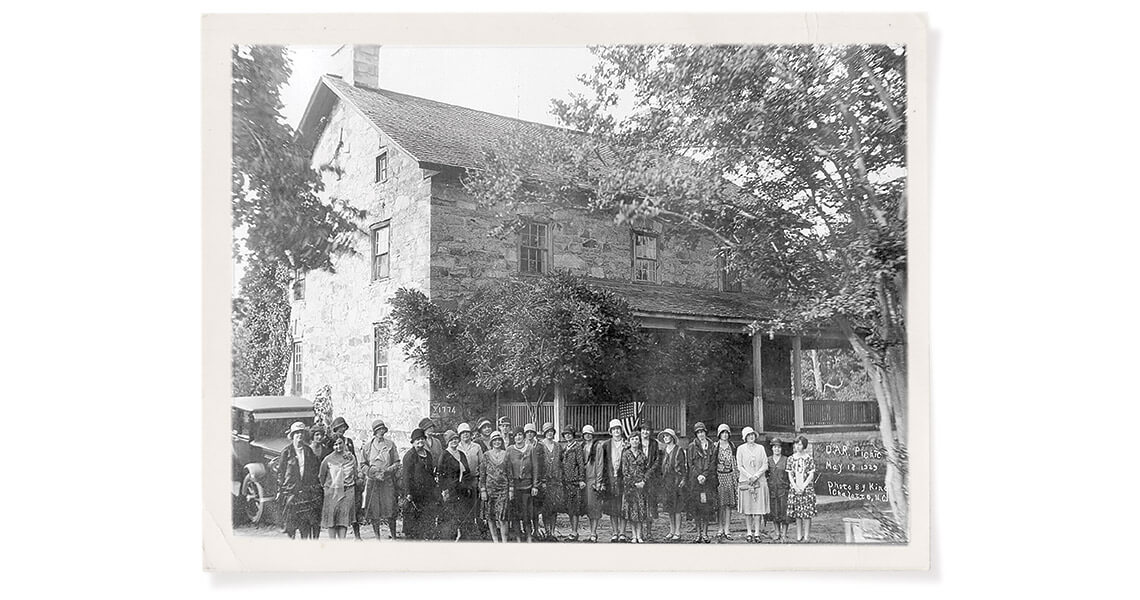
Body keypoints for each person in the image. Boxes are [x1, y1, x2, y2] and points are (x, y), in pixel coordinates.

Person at [277, 422, 322, 539]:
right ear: (292, 436)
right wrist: (280, 489)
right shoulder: (286, 452)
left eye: (301, 433)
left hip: (306, 490)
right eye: (296, 433)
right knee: (290, 519)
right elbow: (281, 473)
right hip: (291, 490)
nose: (299, 436)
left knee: (306, 521)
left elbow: (314, 470)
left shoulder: (308, 451)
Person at [360, 419, 399, 540]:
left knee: (390, 509)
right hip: (373, 482)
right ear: (374, 432)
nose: (381, 432)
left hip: (387, 481)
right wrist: (373, 473)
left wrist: (387, 471)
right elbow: (362, 465)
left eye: (382, 429)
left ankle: (393, 535)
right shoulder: (367, 447)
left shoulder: (390, 445)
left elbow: (397, 462)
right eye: (378, 430)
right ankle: (377, 538)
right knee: (374, 510)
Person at [329, 416, 364, 540]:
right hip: (337, 479)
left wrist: (357, 475)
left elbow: (354, 459)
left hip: (350, 478)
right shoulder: (332, 443)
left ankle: (357, 535)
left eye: (343, 428)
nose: (342, 431)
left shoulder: (348, 441)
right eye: (339, 429)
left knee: (354, 507)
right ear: (335, 429)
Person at [438, 430, 477, 541]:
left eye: (456, 439)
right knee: (452, 515)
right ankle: (451, 538)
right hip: (451, 490)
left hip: (463, 489)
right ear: (447, 442)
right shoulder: (444, 455)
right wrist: (444, 490)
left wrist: (468, 486)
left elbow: (467, 472)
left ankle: (462, 536)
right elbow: (440, 475)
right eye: (451, 439)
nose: (454, 441)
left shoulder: (461, 454)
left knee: (463, 514)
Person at [318, 433, 359, 539]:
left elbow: (355, 473)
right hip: (332, 492)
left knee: (343, 519)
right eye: (335, 444)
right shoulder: (327, 459)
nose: (338, 446)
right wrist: (327, 488)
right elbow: (322, 476)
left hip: (347, 491)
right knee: (332, 519)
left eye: (340, 443)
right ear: (332, 446)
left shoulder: (350, 457)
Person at [400, 427, 438, 540]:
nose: (420, 442)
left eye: (422, 439)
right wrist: (408, 493)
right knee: (414, 520)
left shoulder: (428, 455)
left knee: (427, 518)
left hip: (427, 492)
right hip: (414, 493)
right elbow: (406, 476)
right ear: (413, 442)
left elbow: (431, 473)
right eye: (417, 440)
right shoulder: (409, 456)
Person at [736, 426, 770, 543]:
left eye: (752, 435)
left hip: (759, 481)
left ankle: (757, 532)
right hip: (746, 481)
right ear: (745, 437)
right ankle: (749, 532)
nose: (751, 437)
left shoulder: (760, 448)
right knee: (748, 508)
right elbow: (739, 466)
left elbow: (765, 464)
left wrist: (756, 476)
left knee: (758, 509)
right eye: (748, 435)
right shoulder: (740, 449)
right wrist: (749, 476)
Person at [506, 428, 539, 542]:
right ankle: (518, 538)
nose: (518, 437)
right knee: (515, 513)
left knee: (526, 513)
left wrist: (535, 485)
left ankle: (529, 537)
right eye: (515, 435)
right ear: (513, 437)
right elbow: (508, 469)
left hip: (527, 486)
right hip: (514, 486)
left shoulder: (531, 449)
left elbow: (535, 468)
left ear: (524, 436)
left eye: (520, 435)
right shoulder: (509, 450)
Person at [687, 422, 717, 543]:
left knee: (707, 507)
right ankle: (698, 534)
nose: (701, 434)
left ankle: (705, 533)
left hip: (708, 480)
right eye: (698, 432)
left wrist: (704, 475)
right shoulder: (692, 446)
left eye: (702, 432)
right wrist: (698, 475)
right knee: (697, 508)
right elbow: (690, 464)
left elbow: (713, 463)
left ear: (705, 432)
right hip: (696, 480)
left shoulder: (712, 446)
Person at [480, 431, 511, 543]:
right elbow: (482, 475)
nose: (497, 442)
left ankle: (504, 542)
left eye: (499, 440)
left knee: (503, 518)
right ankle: (495, 541)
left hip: (503, 490)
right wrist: (483, 490)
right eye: (494, 440)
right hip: (489, 490)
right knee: (491, 517)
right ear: (491, 442)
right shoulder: (486, 455)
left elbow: (510, 473)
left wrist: (511, 489)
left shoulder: (506, 454)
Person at [656, 428, 687, 542]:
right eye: (664, 437)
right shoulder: (664, 451)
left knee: (677, 508)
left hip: (676, 481)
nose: (666, 438)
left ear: (672, 438)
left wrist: (682, 480)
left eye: (667, 436)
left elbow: (683, 468)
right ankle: (672, 530)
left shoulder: (679, 450)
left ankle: (678, 531)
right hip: (666, 482)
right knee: (669, 508)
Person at [535, 422, 564, 540]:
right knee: (546, 508)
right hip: (545, 481)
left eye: (551, 431)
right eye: (547, 431)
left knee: (554, 507)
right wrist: (541, 481)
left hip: (556, 481)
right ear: (544, 433)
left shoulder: (558, 446)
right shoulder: (540, 446)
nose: (550, 433)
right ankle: (547, 531)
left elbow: (561, 463)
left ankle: (552, 531)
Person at [456, 422, 485, 539]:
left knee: (475, 505)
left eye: (467, 433)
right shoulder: (456, 447)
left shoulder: (476, 447)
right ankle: (464, 531)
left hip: (474, 480)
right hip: (461, 482)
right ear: (459, 435)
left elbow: (482, 464)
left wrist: (480, 481)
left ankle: (476, 530)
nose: (465, 435)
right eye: (463, 433)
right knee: (464, 506)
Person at [621, 432, 650, 543]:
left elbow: (646, 470)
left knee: (640, 512)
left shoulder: (642, 455)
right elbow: (625, 471)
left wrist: (643, 481)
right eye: (632, 439)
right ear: (629, 441)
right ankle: (633, 535)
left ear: (639, 441)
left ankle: (639, 535)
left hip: (641, 487)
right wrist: (634, 483)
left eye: (637, 439)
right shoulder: (626, 454)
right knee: (632, 512)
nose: (635, 441)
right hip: (630, 487)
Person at [581, 424, 609, 542]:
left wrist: (599, 481)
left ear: (593, 434)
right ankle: (590, 532)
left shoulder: (598, 446)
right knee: (587, 507)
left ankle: (594, 533)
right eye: (585, 433)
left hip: (593, 480)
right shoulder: (582, 446)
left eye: (589, 433)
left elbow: (600, 464)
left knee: (594, 507)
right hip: (584, 480)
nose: (587, 435)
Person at [787, 436, 817, 542]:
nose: (797, 446)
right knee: (797, 514)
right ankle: (799, 535)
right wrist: (795, 486)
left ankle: (807, 535)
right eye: (796, 444)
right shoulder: (791, 458)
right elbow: (790, 474)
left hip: (806, 489)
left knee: (807, 513)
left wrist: (803, 486)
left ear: (804, 445)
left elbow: (811, 474)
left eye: (799, 444)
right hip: (795, 489)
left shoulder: (808, 458)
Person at [560, 425, 587, 541]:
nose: (567, 436)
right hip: (566, 481)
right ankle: (572, 531)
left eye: (569, 434)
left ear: (573, 435)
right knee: (570, 508)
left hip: (575, 481)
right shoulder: (565, 447)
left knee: (575, 508)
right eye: (565, 434)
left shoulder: (577, 447)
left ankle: (575, 532)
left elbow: (581, 464)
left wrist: (581, 479)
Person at [635, 421, 661, 540]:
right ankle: (639, 532)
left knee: (650, 505)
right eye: (643, 430)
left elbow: (657, 461)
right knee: (639, 505)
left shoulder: (654, 443)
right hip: (638, 478)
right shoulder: (636, 442)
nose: (645, 432)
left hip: (650, 479)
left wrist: (647, 475)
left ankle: (649, 531)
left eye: (647, 430)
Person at [713, 423, 738, 541]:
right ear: (719, 434)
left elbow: (734, 463)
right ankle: (720, 528)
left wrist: (735, 477)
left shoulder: (732, 446)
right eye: (722, 433)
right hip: (719, 476)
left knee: (728, 504)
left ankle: (727, 529)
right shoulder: (715, 446)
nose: (724, 435)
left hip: (729, 476)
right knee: (720, 505)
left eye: (726, 433)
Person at [604, 419, 627, 542]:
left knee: (623, 506)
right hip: (610, 479)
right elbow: (603, 464)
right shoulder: (606, 445)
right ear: (611, 431)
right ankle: (615, 532)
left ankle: (623, 532)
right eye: (614, 429)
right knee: (613, 507)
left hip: (623, 479)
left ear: (621, 430)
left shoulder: (627, 443)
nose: (616, 431)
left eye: (618, 429)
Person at [767, 438, 791, 542]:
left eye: (779, 447)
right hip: (772, 489)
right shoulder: (768, 460)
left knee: (784, 512)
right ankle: (777, 532)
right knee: (774, 512)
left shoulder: (786, 460)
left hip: (784, 489)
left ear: (781, 449)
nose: (777, 449)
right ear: (772, 448)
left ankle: (784, 534)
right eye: (775, 447)